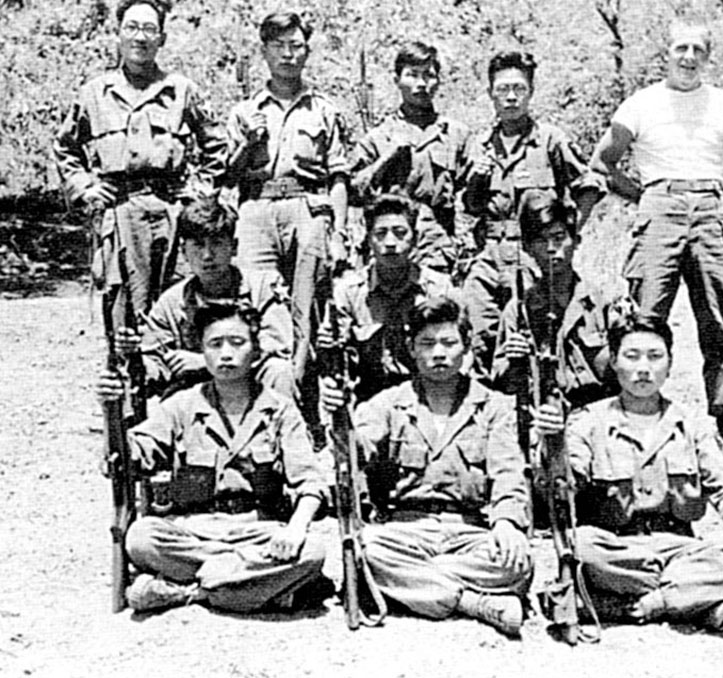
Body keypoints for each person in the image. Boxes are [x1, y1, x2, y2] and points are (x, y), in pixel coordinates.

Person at [589, 22, 723, 480]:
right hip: (658, 208)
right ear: (665, 54)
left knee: (719, 320)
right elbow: (602, 162)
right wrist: (645, 196)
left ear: (707, 57)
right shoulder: (643, 103)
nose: (688, 57)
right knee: (643, 319)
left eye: (698, 50)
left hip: (709, 207)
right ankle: (626, 428)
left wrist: (716, 200)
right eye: (680, 48)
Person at [533, 314, 723, 629]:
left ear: (669, 365)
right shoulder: (587, 421)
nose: (644, 367)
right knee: (582, 547)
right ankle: (694, 599)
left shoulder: (690, 422)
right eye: (632, 356)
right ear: (614, 362)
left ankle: (629, 606)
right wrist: (553, 444)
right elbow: (564, 485)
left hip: (678, 547)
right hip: (615, 550)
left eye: (655, 357)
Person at [96, 302, 328, 614]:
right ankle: (251, 586)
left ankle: (187, 592)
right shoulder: (181, 405)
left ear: (256, 351)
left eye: (237, 342)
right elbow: (130, 459)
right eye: (214, 344)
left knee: (312, 551)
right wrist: (109, 411)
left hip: (259, 530)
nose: (226, 354)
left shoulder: (280, 409)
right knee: (141, 538)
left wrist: (295, 528)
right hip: (194, 530)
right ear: (202, 353)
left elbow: (311, 482)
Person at [321, 297, 532, 636]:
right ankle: (472, 602)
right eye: (427, 343)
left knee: (517, 563)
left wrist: (507, 523)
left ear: (467, 348)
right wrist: (340, 416)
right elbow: (357, 452)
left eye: (449, 343)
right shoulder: (388, 403)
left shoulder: (494, 406)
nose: (438, 353)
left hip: (469, 529)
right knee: (367, 551)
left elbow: (508, 470)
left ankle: (415, 584)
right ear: (411, 349)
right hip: (405, 530)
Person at [54, 0, 227, 318]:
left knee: (173, 293)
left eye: (149, 29)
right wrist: (85, 187)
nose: (140, 37)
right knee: (120, 296)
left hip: (170, 209)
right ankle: (120, 366)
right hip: (119, 210)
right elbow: (66, 147)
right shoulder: (95, 92)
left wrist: (200, 190)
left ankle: (168, 364)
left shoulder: (180, 90)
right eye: (132, 27)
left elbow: (217, 145)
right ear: (118, 34)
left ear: (161, 38)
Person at [460, 51, 605, 376]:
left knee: (533, 336)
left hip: (534, 256)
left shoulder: (550, 140)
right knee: (480, 333)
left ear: (531, 91)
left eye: (519, 88)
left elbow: (589, 186)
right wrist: (477, 180)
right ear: (490, 94)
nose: (511, 97)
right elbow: (470, 207)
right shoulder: (479, 144)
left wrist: (568, 234)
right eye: (502, 90)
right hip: (490, 255)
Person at [225, 10, 350, 383]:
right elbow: (228, 175)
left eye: (296, 46)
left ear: (307, 51)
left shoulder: (324, 110)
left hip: (307, 208)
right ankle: (261, 392)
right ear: (264, 52)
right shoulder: (245, 111)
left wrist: (340, 234)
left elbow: (339, 176)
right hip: (257, 210)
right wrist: (248, 144)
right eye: (278, 46)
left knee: (310, 305)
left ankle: (311, 394)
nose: (288, 54)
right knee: (254, 299)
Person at [113, 199, 295, 400]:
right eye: (198, 245)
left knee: (279, 371)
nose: (207, 255)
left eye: (216, 243)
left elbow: (276, 347)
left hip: (250, 388)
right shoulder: (172, 303)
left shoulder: (261, 288)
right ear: (183, 252)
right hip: (196, 397)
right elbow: (155, 363)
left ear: (233, 247)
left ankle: (280, 430)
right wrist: (134, 355)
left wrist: (209, 361)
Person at [318, 195, 457, 405]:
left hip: (428, 397)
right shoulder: (349, 292)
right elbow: (336, 359)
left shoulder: (439, 288)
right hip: (370, 399)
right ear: (368, 239)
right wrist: (329, 343)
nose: (390, 243)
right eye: (380, 234)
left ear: (416, 239)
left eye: (400, 233)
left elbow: (461, 353)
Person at [349, 42, 470, 274]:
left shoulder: (456, 134)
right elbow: (354, 192)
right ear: (397, 80)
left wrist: (464, 243)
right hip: (389, 241)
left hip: (436, 242)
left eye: (429, 75)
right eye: (412, 75)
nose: (421, 84)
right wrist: (387, 157)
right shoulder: (378, 136)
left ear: (439, 81)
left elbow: (470, 198)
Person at [491, 194, 620, 409]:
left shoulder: (604, 303)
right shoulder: (518, 310)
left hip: (596, 413)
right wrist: (515, 363)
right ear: (527, 248)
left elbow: (627, 370)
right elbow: (502, 383)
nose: (551, 248)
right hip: (541, 414)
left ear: (576, 241)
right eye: (541, 240)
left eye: (559, 237)